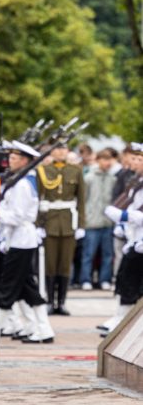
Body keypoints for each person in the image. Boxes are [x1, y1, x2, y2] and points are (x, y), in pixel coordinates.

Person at [0, 142, 55, 344]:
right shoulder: (20, 181)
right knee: (28, 288)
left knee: (6, 288)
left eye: (15, 158)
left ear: (25, 161)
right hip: (17, 239)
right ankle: (43, 329)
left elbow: (17, 216)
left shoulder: (22, 185)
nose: (10, 160)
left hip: (21, 239)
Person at [37, 143, 86, 315]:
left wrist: (81, 225)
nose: (60, 152)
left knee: (65, 265)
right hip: (49, 222)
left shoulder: (76, 170)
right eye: (57, 149)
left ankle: (62, 302)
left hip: (68, 223)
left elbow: (81, 200)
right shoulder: (43, 170)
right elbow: (39, 199)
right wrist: (38, 224)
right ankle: (50, 302)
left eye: (63, 149)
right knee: (50, 265)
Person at [100, 143, 143, 334]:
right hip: (135, 238)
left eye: (139, 159)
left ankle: (127, 323)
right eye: (135, 158)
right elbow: (127, 201)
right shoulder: (136, 180)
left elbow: (138, 213)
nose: (135, 162)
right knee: (126, 280)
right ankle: (122, 320)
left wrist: (124, 217)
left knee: (133, 283)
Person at [80, 149, 117, 290]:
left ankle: (104, 279)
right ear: (98, 160)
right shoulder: (89, 178)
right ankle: (85, 279)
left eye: (109, 160)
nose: (107, 163)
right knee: (89, 253)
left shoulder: (112, 179)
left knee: (107, 254)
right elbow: (83, 199)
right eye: (104, 159)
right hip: (92, 221)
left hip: (107, 222)